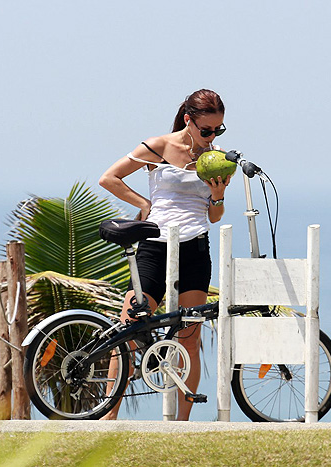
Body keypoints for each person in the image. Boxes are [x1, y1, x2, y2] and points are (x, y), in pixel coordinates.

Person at [98, 89, 231, 421]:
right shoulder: (158, 146)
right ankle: (106, 418)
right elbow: (109, 178)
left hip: (195, 247)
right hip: (155, 246)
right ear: (189, 120)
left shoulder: (217, 158)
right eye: (206, 130)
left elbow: (214, 216)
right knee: (128, 329)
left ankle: (181, 425)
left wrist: (217, 195)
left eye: (218, 130)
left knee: (190, 334)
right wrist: (144, 205)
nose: (212, 137)